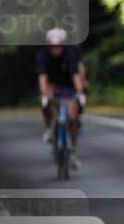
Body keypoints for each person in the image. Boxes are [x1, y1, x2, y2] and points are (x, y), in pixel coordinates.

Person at [36, 27, 86, 168]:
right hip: (53, 84)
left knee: (72, 118)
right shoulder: (42, 56)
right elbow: (42, 77)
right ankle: (49, 127)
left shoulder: (70, 53)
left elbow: (75, 75)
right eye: (53, 46)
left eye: (59, 46)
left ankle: (73, 151)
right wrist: (45, 94)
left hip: (68, 85)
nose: (56, 49)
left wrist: (80, 92)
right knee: (44, 101)